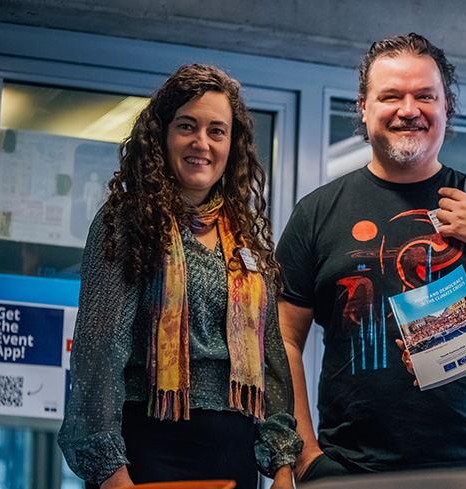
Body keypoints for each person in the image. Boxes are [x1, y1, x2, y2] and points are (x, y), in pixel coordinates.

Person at [275, 33, 466, 482]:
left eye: (425, 96)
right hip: (350, 469)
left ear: (445, 107)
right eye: (391, 96)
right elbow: (282, 339)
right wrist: (303, 456)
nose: (409, 109)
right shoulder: (317, 212)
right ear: (364, 107)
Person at [58, 64, 302, 489]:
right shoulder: (126, 221)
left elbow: (271, 359)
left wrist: (282, 465)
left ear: (232, 145)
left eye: (216, 131)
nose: (201, 143)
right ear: (162, 135)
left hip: (235, 457)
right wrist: (111, 473)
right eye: (187, 126)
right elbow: (99, 352)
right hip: (148, 453)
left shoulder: (244, 236)